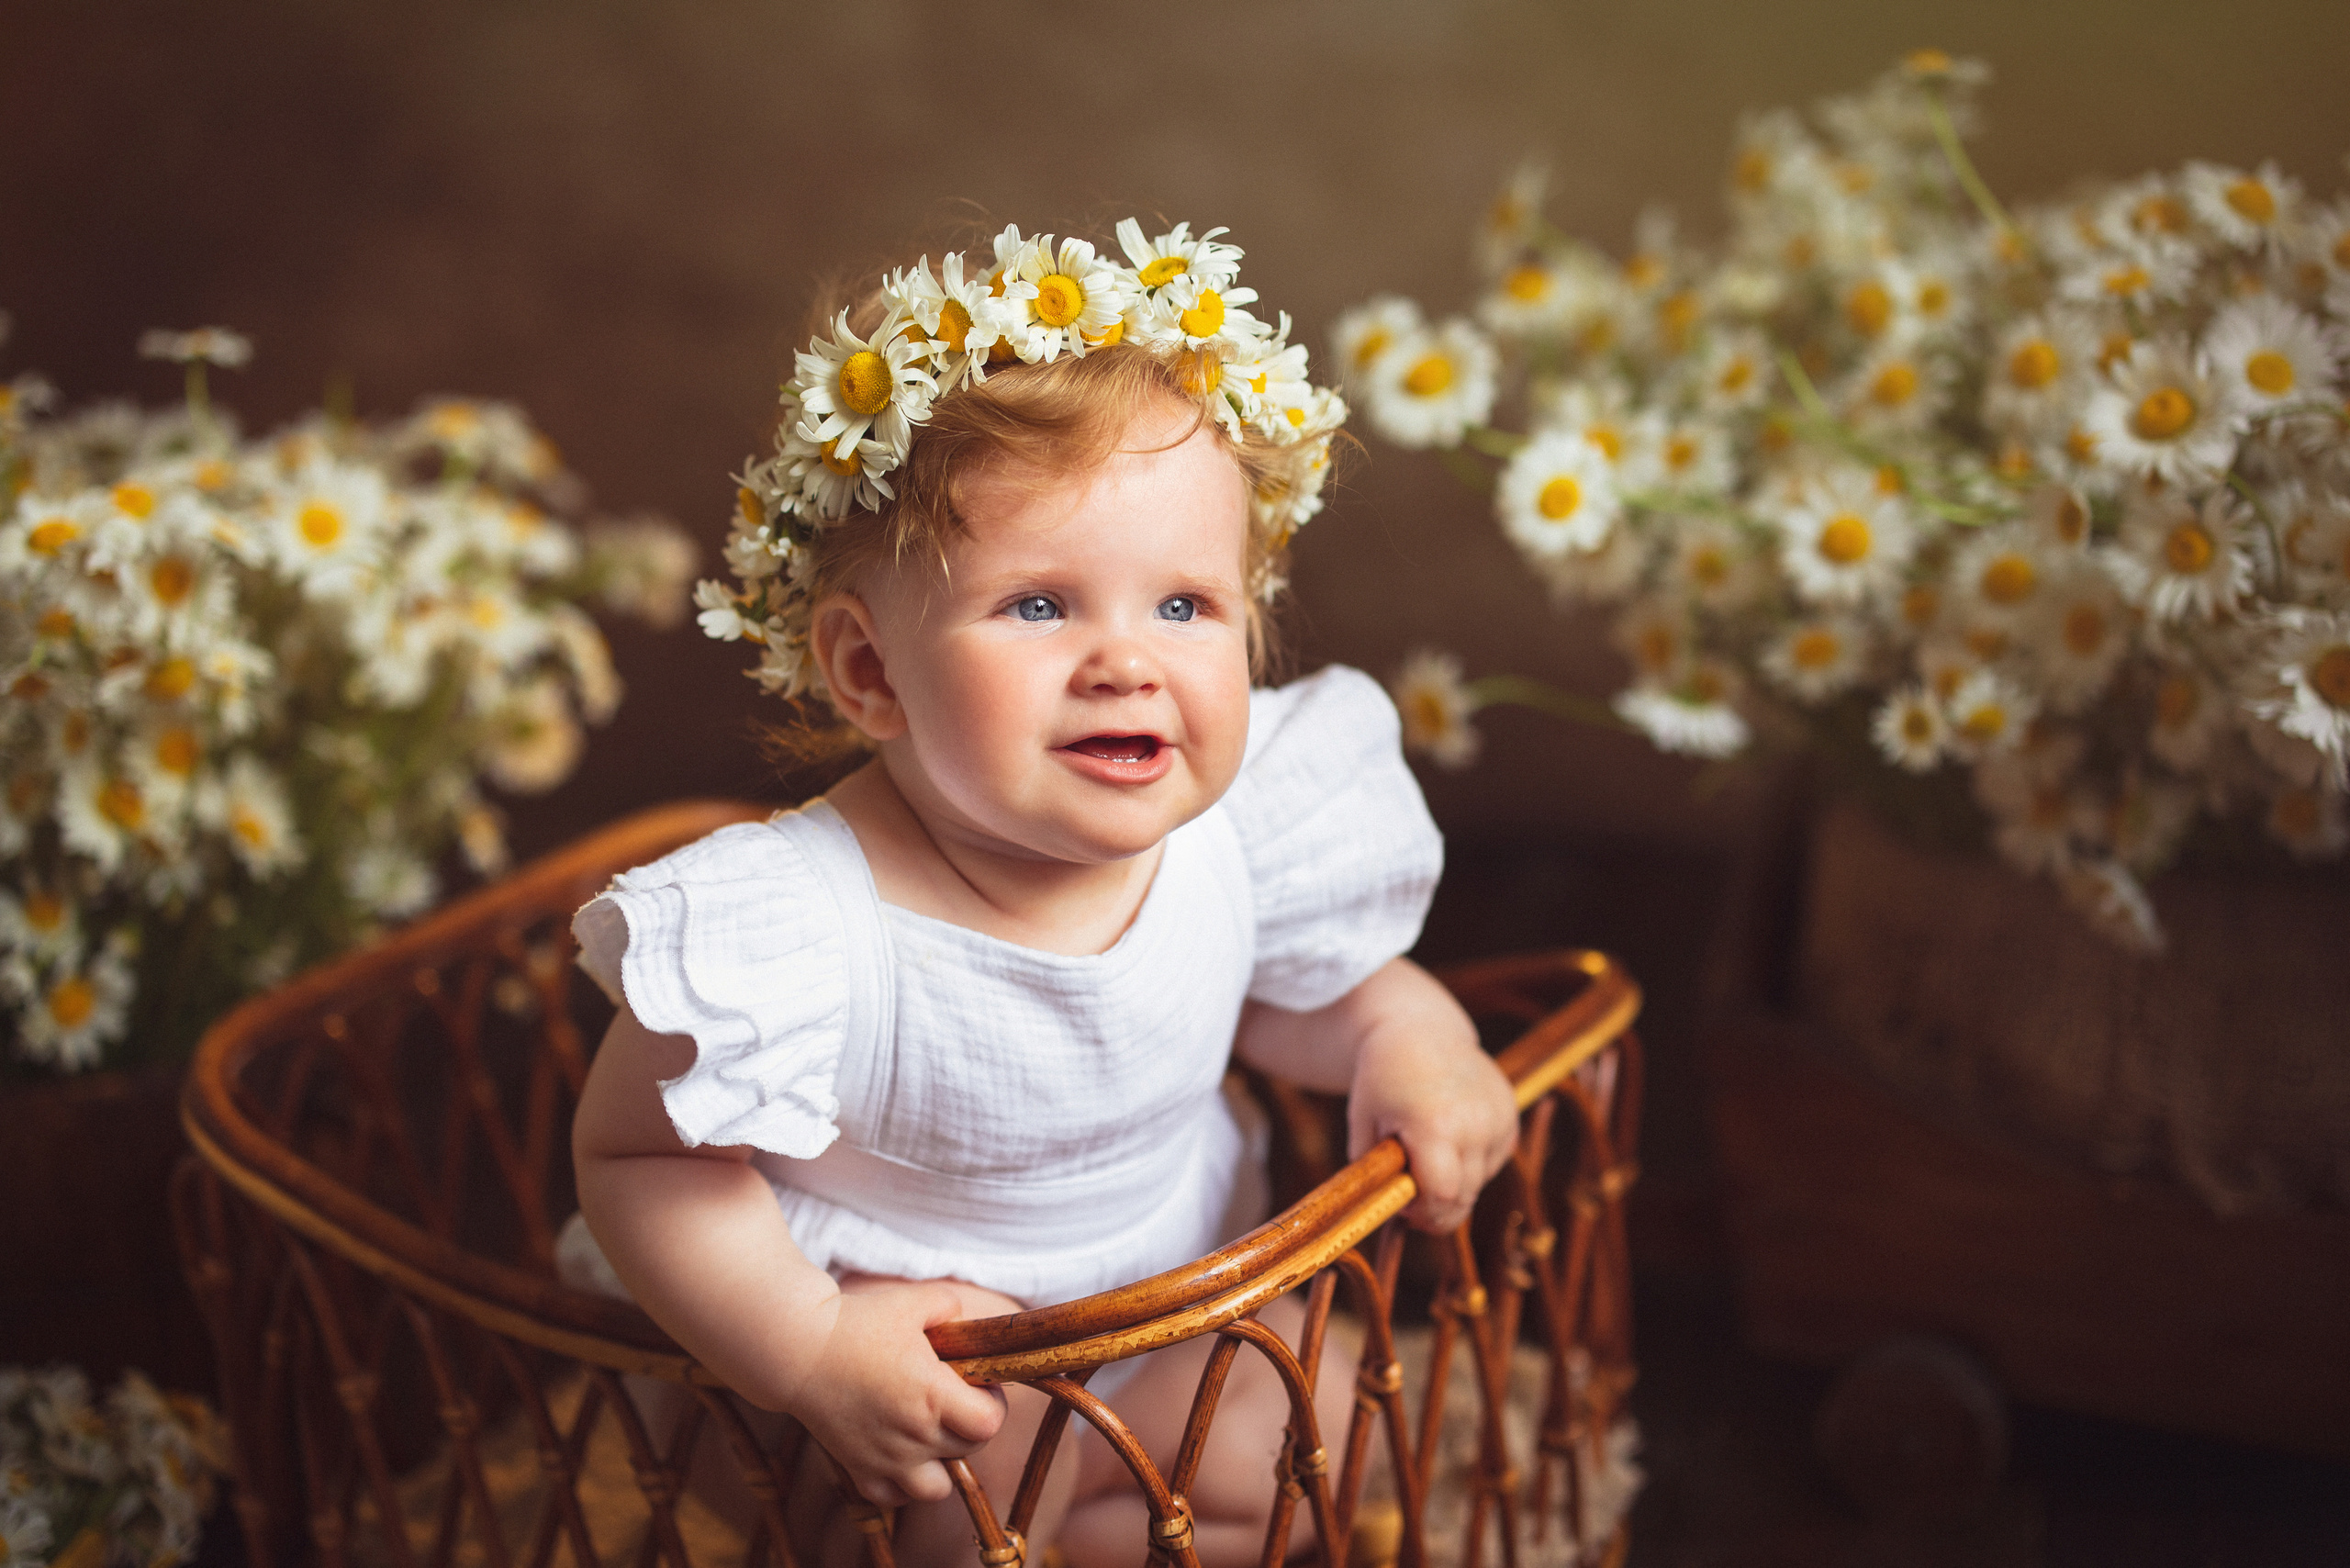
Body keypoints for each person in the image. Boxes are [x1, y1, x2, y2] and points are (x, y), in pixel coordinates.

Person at [564, 219, 1517, 1568]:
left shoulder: (1232, 838)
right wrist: (811, 1346)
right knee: (980, 1474)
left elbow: (1302, 995)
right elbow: (636, 1157)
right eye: (1039, 606)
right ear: (870, 672)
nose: (1127, 662)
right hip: (899, 1375)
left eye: (1185, 606)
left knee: (1310, 1429)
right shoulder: (807, 924)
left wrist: (1409, 1040)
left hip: (1164, 1297)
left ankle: (1113, 1526)